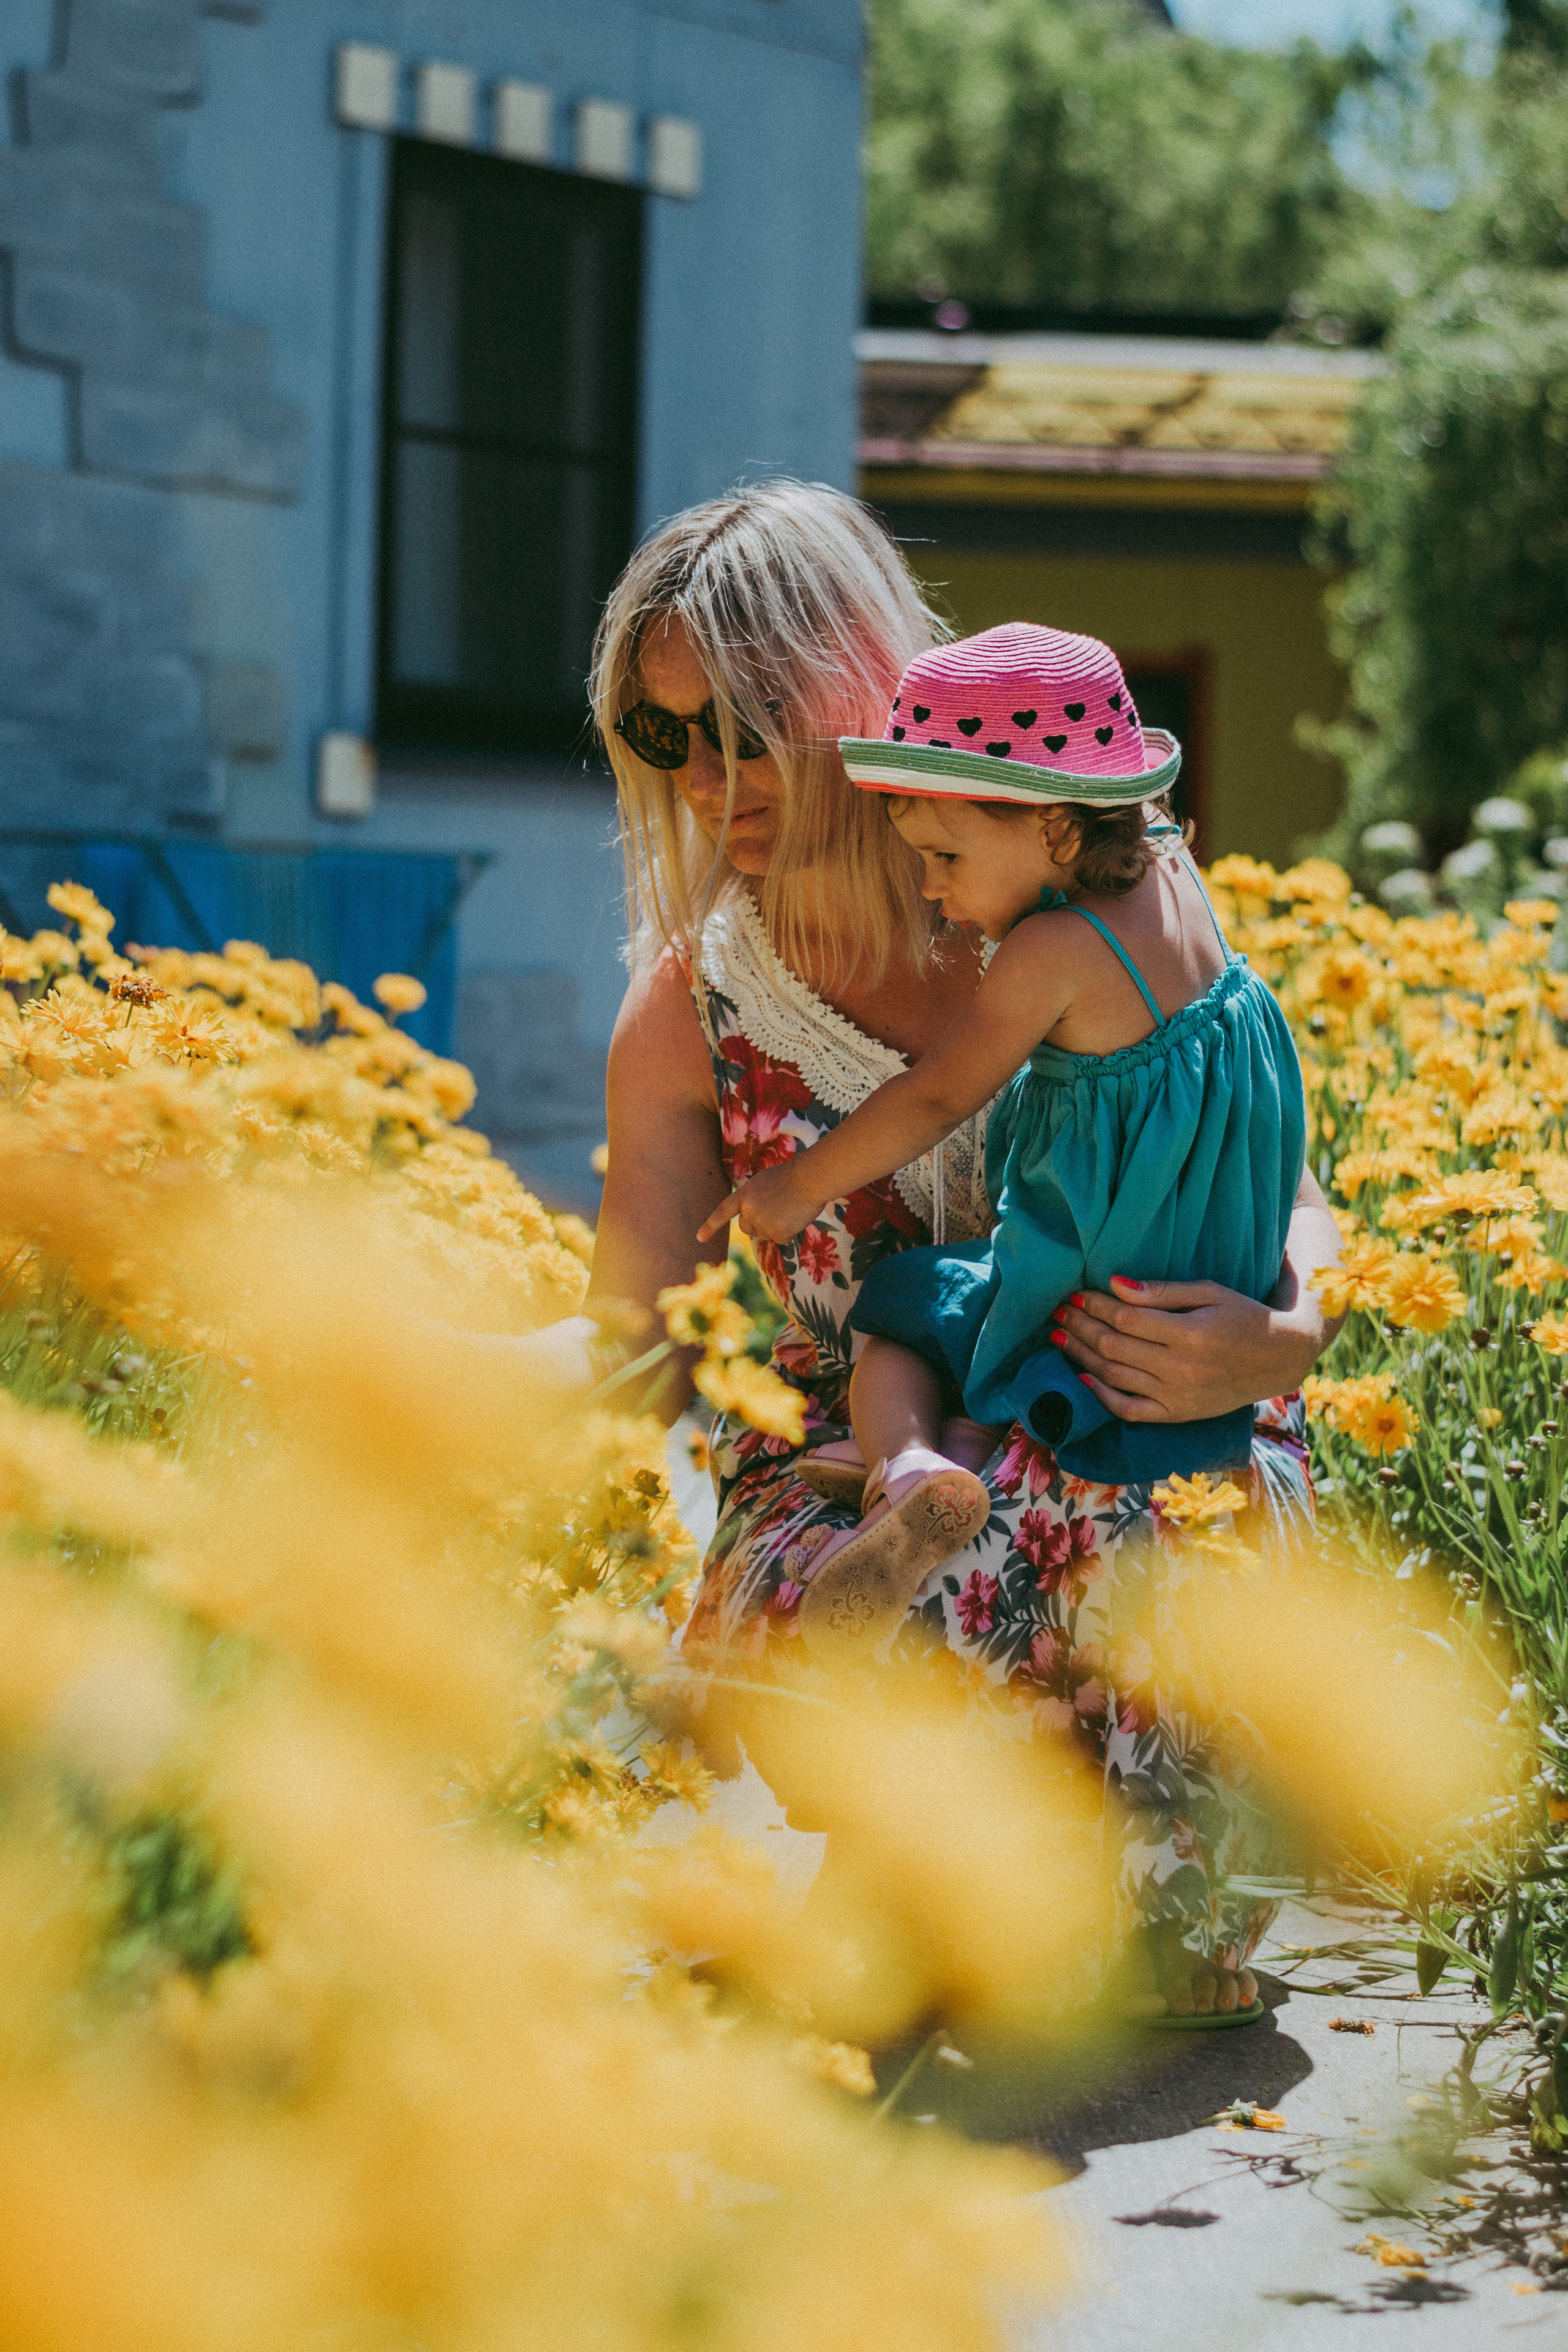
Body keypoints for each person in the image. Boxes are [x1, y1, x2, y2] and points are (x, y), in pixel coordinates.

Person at [536, 480, 1343, 2019]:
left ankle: (1053, 1894)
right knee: (919, 1558)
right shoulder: (687, 1016)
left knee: (1166, 1514)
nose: (707, 778)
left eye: (746, 722)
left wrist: (1290, 1332)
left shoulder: (1087, 903)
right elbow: (627, 1345)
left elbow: (1278, 1172)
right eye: (664, 739)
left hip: (1148, 1404)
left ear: (857, 687)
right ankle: (950, 1872)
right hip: (860, 1457)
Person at [696, 622, 1307, 1709]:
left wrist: (797, 1185)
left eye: (945, 857)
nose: (931, 889)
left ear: (1058, 829)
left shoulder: (1051, 954)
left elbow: (937, 1095)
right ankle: (970, 1441)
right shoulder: (1180, 887)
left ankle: (914, 1470)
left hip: (1084, 1289)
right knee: (976, 1313)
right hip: (1211, 1281)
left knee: (904, 1306)